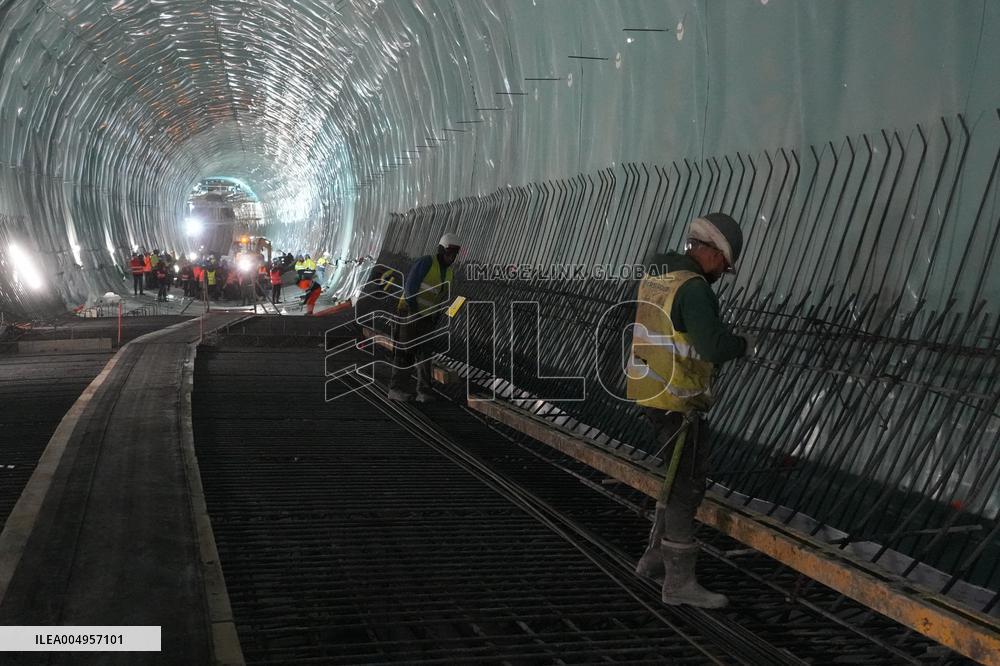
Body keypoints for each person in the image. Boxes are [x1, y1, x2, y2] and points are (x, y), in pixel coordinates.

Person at [627, 213, 753, 609]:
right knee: (687, 486)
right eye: (726, 264)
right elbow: (712, 346)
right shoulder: (694, 288)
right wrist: (743, 345)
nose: (723, 272)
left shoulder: (658, 274)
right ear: (712, 251)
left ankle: (653, 559)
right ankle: (678, 582)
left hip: (649, 391)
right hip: (677, 400)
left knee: (672, 478)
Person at [388, 233, 461, 403]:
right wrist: (413, 311)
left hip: (427, 319)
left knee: (425, 355)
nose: (451, 258)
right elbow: (410, 287)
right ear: (441, 250)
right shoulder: (427, 262)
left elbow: (441, 297)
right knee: (405, 353)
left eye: (454, 255)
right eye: (449, 253)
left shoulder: (449, 272)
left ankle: (424, 392)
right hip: (409, 314)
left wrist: (436, 317)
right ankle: (396, 389)